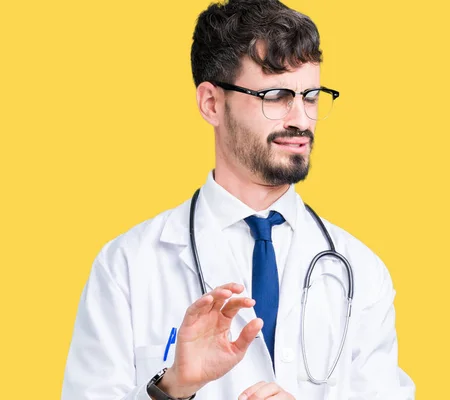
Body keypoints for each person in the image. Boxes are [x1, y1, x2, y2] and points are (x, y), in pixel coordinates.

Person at [61, 0, 416, 398]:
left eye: (311, 96)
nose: (300, 119)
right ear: (211, 103)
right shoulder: (126, 266)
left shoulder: (361, 271)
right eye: (278, 95)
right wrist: (172, 388)